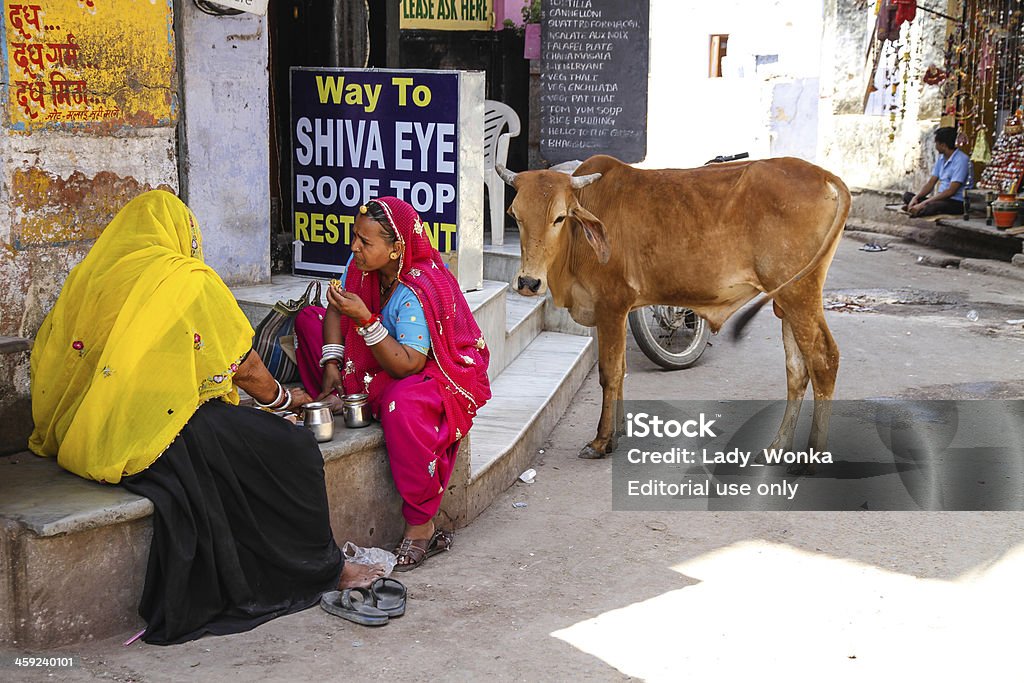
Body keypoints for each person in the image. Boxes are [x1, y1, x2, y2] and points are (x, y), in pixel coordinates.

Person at [28, 190, 383, 645]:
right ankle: (326, 569)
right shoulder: (186, 278)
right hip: (160, 429)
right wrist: (283, 402)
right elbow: (245, 368)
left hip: (90, 430)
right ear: (183, 234)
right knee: (293, 449)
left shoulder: (92, 278)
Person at [295, 197, 491, 571]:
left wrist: (367, 320)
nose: (355, 247)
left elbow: (407, 364)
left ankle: (421, 526)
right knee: (308, 319)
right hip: (379, 350)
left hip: (425, 368)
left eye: (365, 243)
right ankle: (349, 390)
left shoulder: (418, 289)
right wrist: (333, 361)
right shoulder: (361, 267)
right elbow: (336, 307)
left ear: (396, 248)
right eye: (356, 237)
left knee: (401, 402)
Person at [902, 126, 972, 217]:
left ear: (943, 145)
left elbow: (951, 191)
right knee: (907, 196)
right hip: (941, 199)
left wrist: (924, 203)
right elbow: (931, 183)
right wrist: (916, 198)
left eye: (936, 143)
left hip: (957, 202)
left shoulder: (962, 160)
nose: (935, 146)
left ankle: (918, 209)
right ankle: (917, 208)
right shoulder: (942, 158)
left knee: (933, 206)